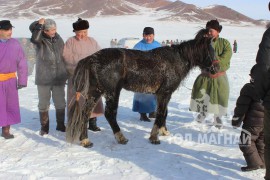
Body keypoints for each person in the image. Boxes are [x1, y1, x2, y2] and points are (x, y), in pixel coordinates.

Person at [189, 19, 232, 129]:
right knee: (203, 95)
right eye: (207, 30)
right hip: (205, 75)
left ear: (218, 31)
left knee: (219, 97)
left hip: (219, 76)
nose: (209, 33)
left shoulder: (225, 43)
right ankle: (202, 113)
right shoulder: (202, 43)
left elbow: (226, 58)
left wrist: (214, 63)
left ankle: (217, 117)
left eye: (211, 30)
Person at [63, 18, 104, 132]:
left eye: (85, 32)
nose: (83, 34)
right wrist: (82, 62)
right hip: (76, 76)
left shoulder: (92, 41)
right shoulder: (70, 42)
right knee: (77, 100)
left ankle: (92, 122)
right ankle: (77, 122)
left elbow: (99, 54)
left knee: (93, 99)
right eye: (80, 32)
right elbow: (66, 56)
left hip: (91, 76)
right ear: (75, 32)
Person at [29, 18, 68, 136]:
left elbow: (64, 55)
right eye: (49, 30)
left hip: (59, 76)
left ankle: (60, 124)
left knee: (60, 102)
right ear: (43, 31)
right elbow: (34, 37)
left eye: (54, 29)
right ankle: (44, 127)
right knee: (43, 103)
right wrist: (39, 25)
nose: (53, 31)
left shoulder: (58, 38)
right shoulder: (39, 39)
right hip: (44, 77)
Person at [232, 64, 265, 172]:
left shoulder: (249, 88)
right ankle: (263, 162)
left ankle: (254, 163)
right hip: (266, 123)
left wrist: (236, 120)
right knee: (261, 142)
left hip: (253, 123)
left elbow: (241, 107)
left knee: (246, 142)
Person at [0, 20, 28, 139]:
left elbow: (22, 62)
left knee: (9, 105)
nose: (10, 32)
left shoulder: (15, 44)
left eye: (11, 29)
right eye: (6, 30)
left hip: (11, 80)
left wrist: (22, 80)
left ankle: (6, 130)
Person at [132, 27, 161, 121]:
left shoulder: (158, 45)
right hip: (142, 75)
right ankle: (143, 114)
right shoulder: (138, 46)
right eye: (146, 35)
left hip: (155, 74)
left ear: (153, 35)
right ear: (143, 35)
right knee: (143, 93)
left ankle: (152, 111)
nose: (148, 38)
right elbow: (133, 61)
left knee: (154, 93)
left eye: (150, 35)